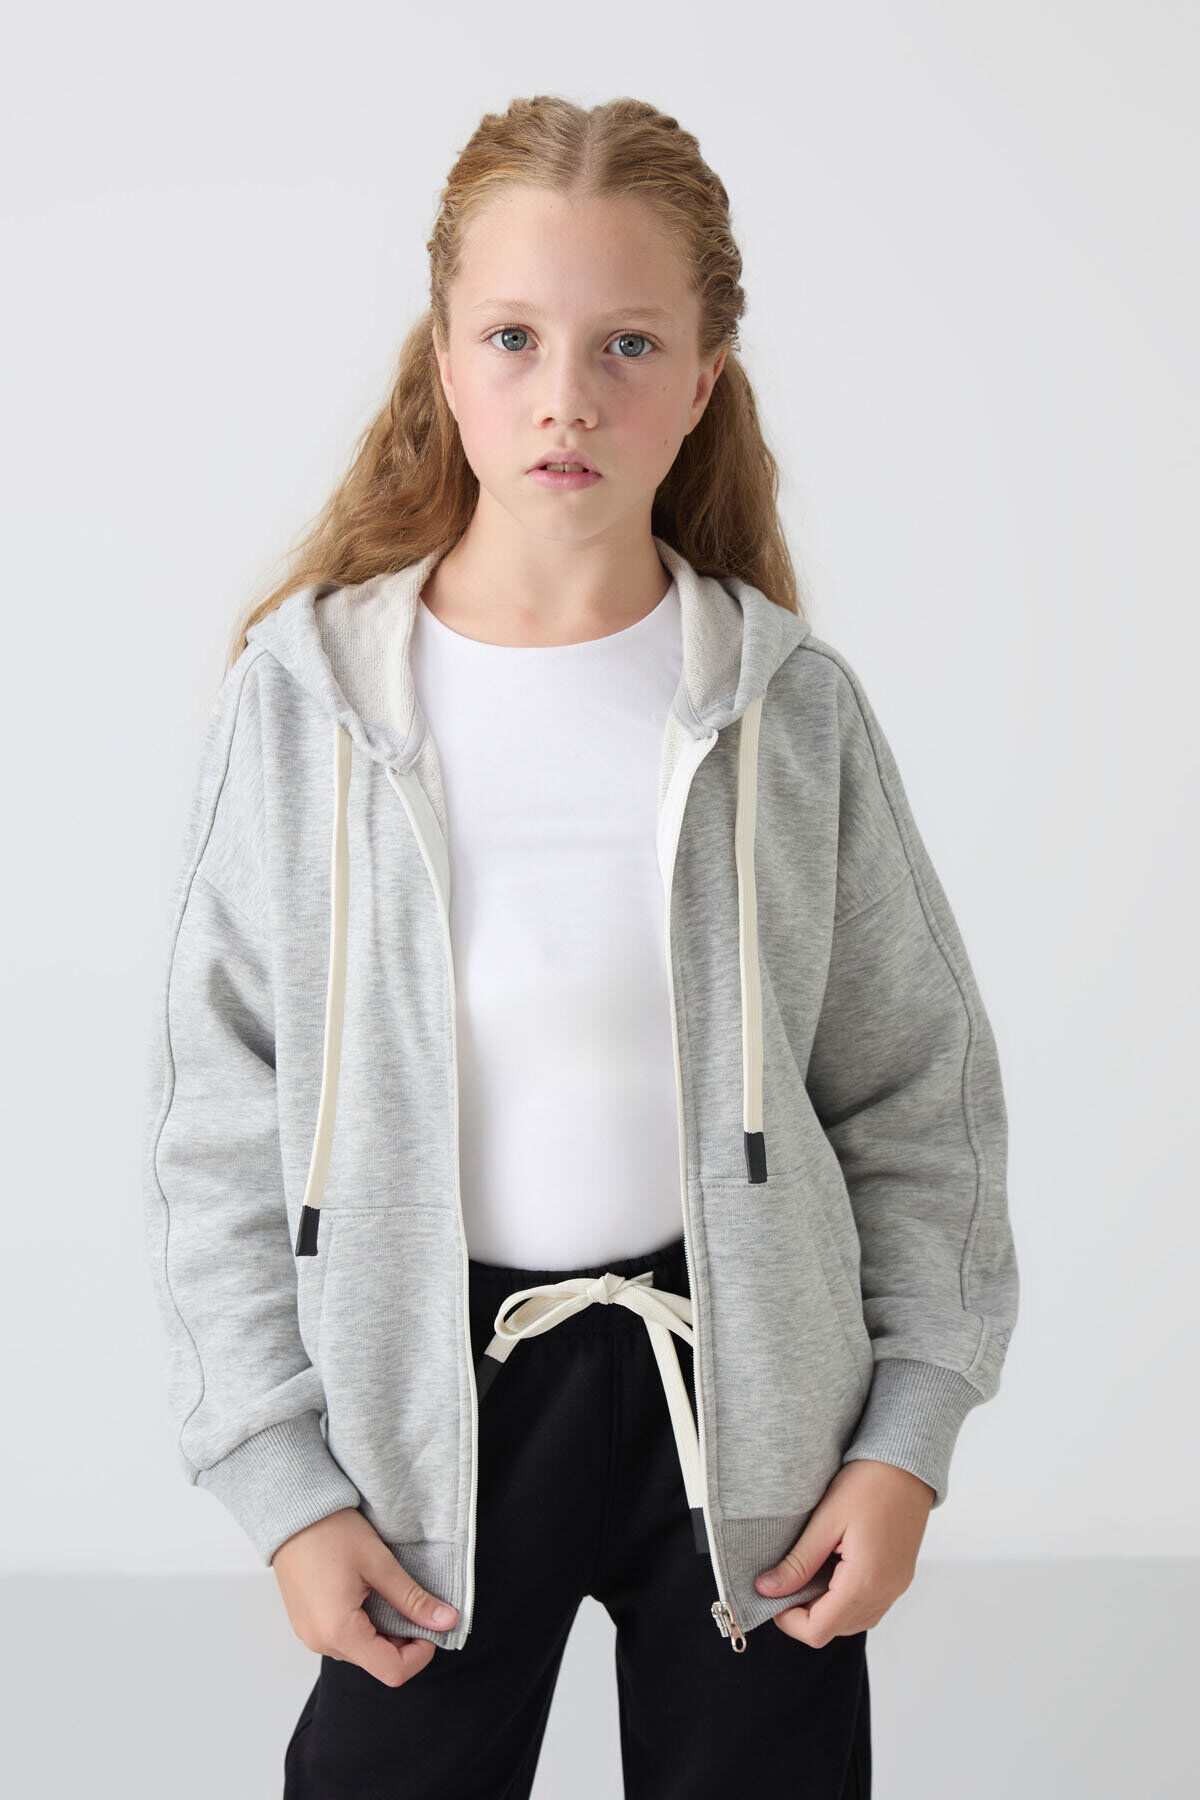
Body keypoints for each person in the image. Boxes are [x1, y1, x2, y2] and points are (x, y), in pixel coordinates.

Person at [142, 93, 1018, 1799]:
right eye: (514, 338)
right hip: (428, 1415)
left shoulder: (791, 712)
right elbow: (217, 1124)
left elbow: (920, 1098)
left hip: (754, 1416)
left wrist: (905, 1441)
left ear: (702, 381)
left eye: (629, 343)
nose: (567, 396)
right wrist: (283, 1486)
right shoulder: (304, 706)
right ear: (445, 359)